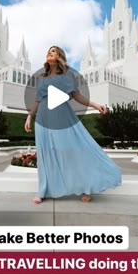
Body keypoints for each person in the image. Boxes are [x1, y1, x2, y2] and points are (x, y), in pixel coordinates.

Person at [25, 46, 121, 204]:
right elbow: (37, 100)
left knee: (71, 151)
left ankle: (86, 186)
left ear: (60, 56)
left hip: (61, 117)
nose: (49, 52)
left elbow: (77, 96)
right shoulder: (41, 78)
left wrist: (95, 105)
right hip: (43, 118)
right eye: (48, 50)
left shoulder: (67, 75)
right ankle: (43, 190)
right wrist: (29, 116)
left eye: (53, 51)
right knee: (45, 154)